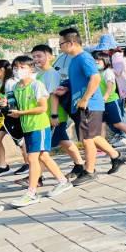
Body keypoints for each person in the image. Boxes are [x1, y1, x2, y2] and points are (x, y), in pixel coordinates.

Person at [58, 28, 124, 184]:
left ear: (71, 43)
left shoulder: (84, 58)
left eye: (61, 43)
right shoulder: (75, 60)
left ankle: (90, 171)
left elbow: (94, 79)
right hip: (84, 105)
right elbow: (80, 80)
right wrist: (66, 87)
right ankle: (116, 156)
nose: (60, 47)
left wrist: (85, 99)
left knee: (87, 139)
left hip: (90, 105)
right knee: (93, 137)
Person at [8, 56, 73, 207]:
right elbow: (16, 106)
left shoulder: (37, 85)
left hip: (39, 126)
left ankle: (31, 193)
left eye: (22, 67)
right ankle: (63, 181)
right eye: (16, 67)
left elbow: (43, 108)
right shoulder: (16, 87)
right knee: (43, 156)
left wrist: (22, 113)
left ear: (31, 69)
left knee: (32, 158)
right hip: (27, 127)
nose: (18, 70)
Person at [31, 45, 85, 179]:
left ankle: (37, 177)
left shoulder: (51, 73)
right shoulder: (39, 74)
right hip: (45, 114)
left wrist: (54, 115)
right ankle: (80, 165)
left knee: (43, 149)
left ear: (49, 56)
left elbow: (54, 95)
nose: (36, 59)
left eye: (39, 56)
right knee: (62, 140)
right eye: (34, 57)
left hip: (55, 114)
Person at [93, 52, 126, 146]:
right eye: (94, 60)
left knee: (118, 123)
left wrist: (106, 96)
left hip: (111, 101)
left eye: (98, 60)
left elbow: (110, 86)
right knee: (102, 124)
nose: (96, 62)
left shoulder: (108, 72)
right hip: (101, 103)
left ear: (105, 61)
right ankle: (102, 147)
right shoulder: (97, 73)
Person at [0, 60, 24, 177]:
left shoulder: (11, 82)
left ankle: (30, 164)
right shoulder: (0, 83)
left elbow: (14, 100)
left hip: (13, 116)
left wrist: (7, 104)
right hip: (4, 116)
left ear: (2, 69)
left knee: (21, 142)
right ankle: (3, 166)